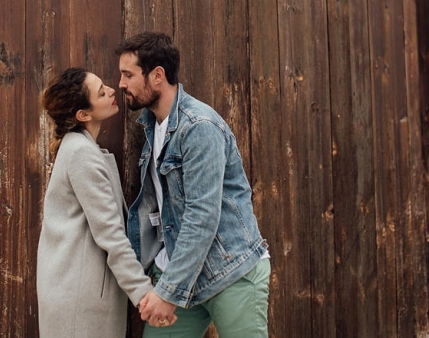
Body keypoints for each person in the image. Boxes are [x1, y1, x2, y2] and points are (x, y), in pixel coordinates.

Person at [116, 32, 271, 337]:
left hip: (229, 271)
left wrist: (167, 292)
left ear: (157, 76)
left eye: (128, 75)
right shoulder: (151, 125)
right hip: (180, 268)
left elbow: (201, 216)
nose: (121, 84)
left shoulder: (199, 127)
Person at [36, 67, 177, 338]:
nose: (112, 90)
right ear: (83, 115)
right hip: (79, 301)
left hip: (76, 291)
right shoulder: (81, 155)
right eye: (101, 92)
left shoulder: (82, 149)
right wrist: (144, 295)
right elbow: (111, 235)